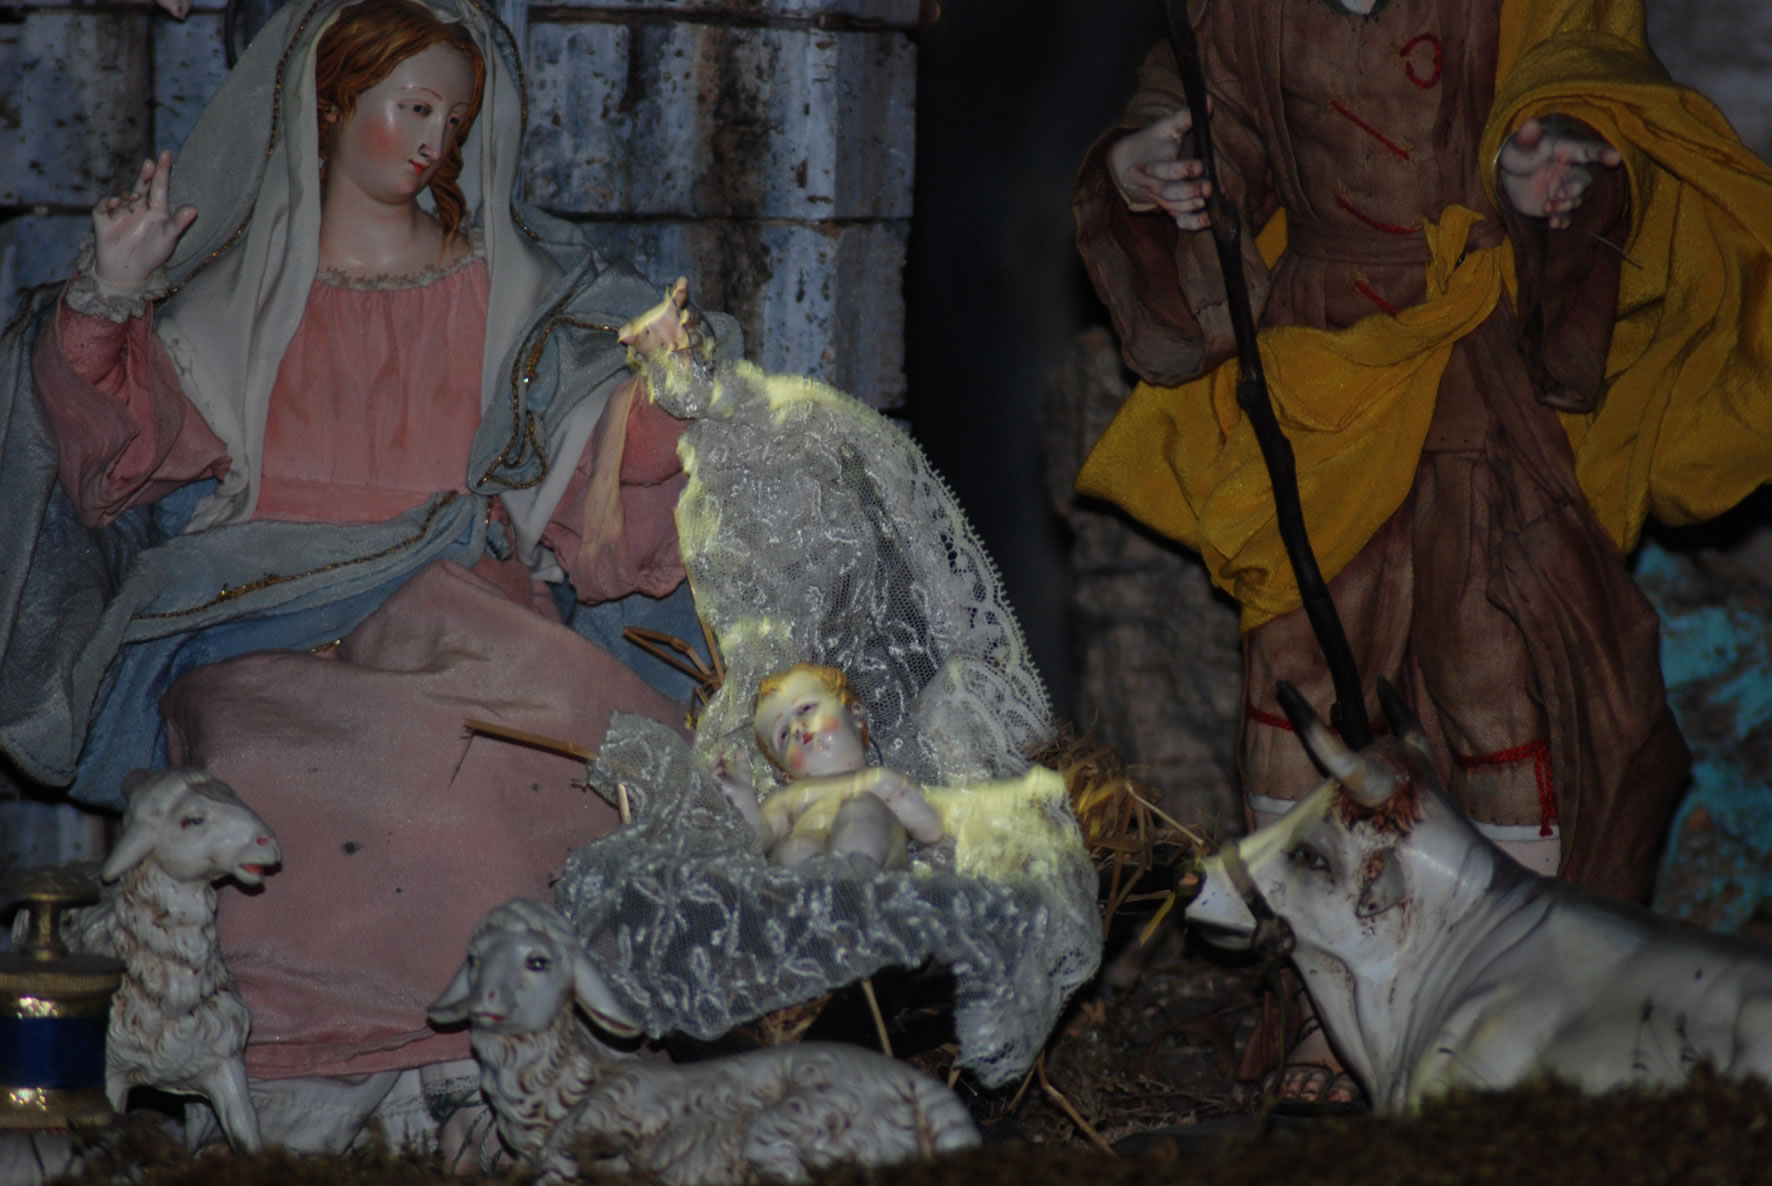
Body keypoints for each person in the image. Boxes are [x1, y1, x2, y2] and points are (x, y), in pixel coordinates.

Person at [0, 0, 737, 1155]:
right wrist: (103, 301)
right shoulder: (238, 301)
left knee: (500, 762)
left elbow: (594, 466)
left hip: (466, 605)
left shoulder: (523, 296)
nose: (435, 141)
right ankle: (301, 1080)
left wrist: (665, 401)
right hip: (262, 611)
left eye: (455, 118)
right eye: (413, 107)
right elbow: (116, 461)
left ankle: (476, 1072)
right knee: (264, 761)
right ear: (332, 106)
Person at [1073, 0, 1772, 1103]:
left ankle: (1513, 983)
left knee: (1490, 652)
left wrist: (1546, 164)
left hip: (1476, 355)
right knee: (1296, 667)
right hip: (1319, 356)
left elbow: (1575, 70)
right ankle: (1323, 1004)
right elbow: (1214, 114)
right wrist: (1149, 167)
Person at [732, 662, 945, 868]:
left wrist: (898, 793)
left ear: (856, 714)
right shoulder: (789, 798)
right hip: (813, 879)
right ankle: (815, 882)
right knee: (793, 849)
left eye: (806, 708)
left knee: (861, 810)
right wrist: (743, 799)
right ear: (786, 774)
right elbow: (758, 840)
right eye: (783, 735)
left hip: (874, 869)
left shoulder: (879, 780)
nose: (797, 727)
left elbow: (933, 830)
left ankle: (854, 874)